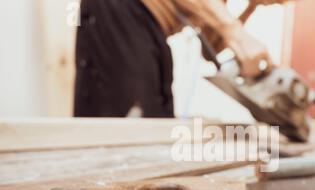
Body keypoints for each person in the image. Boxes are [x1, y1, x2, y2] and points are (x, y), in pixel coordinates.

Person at [74, 0, 289, 118]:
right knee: (128, 121)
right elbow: (228, 32)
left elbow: (210, 49)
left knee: (154, 121)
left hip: (150, 29)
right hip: (118, 10)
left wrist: (251, 6)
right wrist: (235, 32)